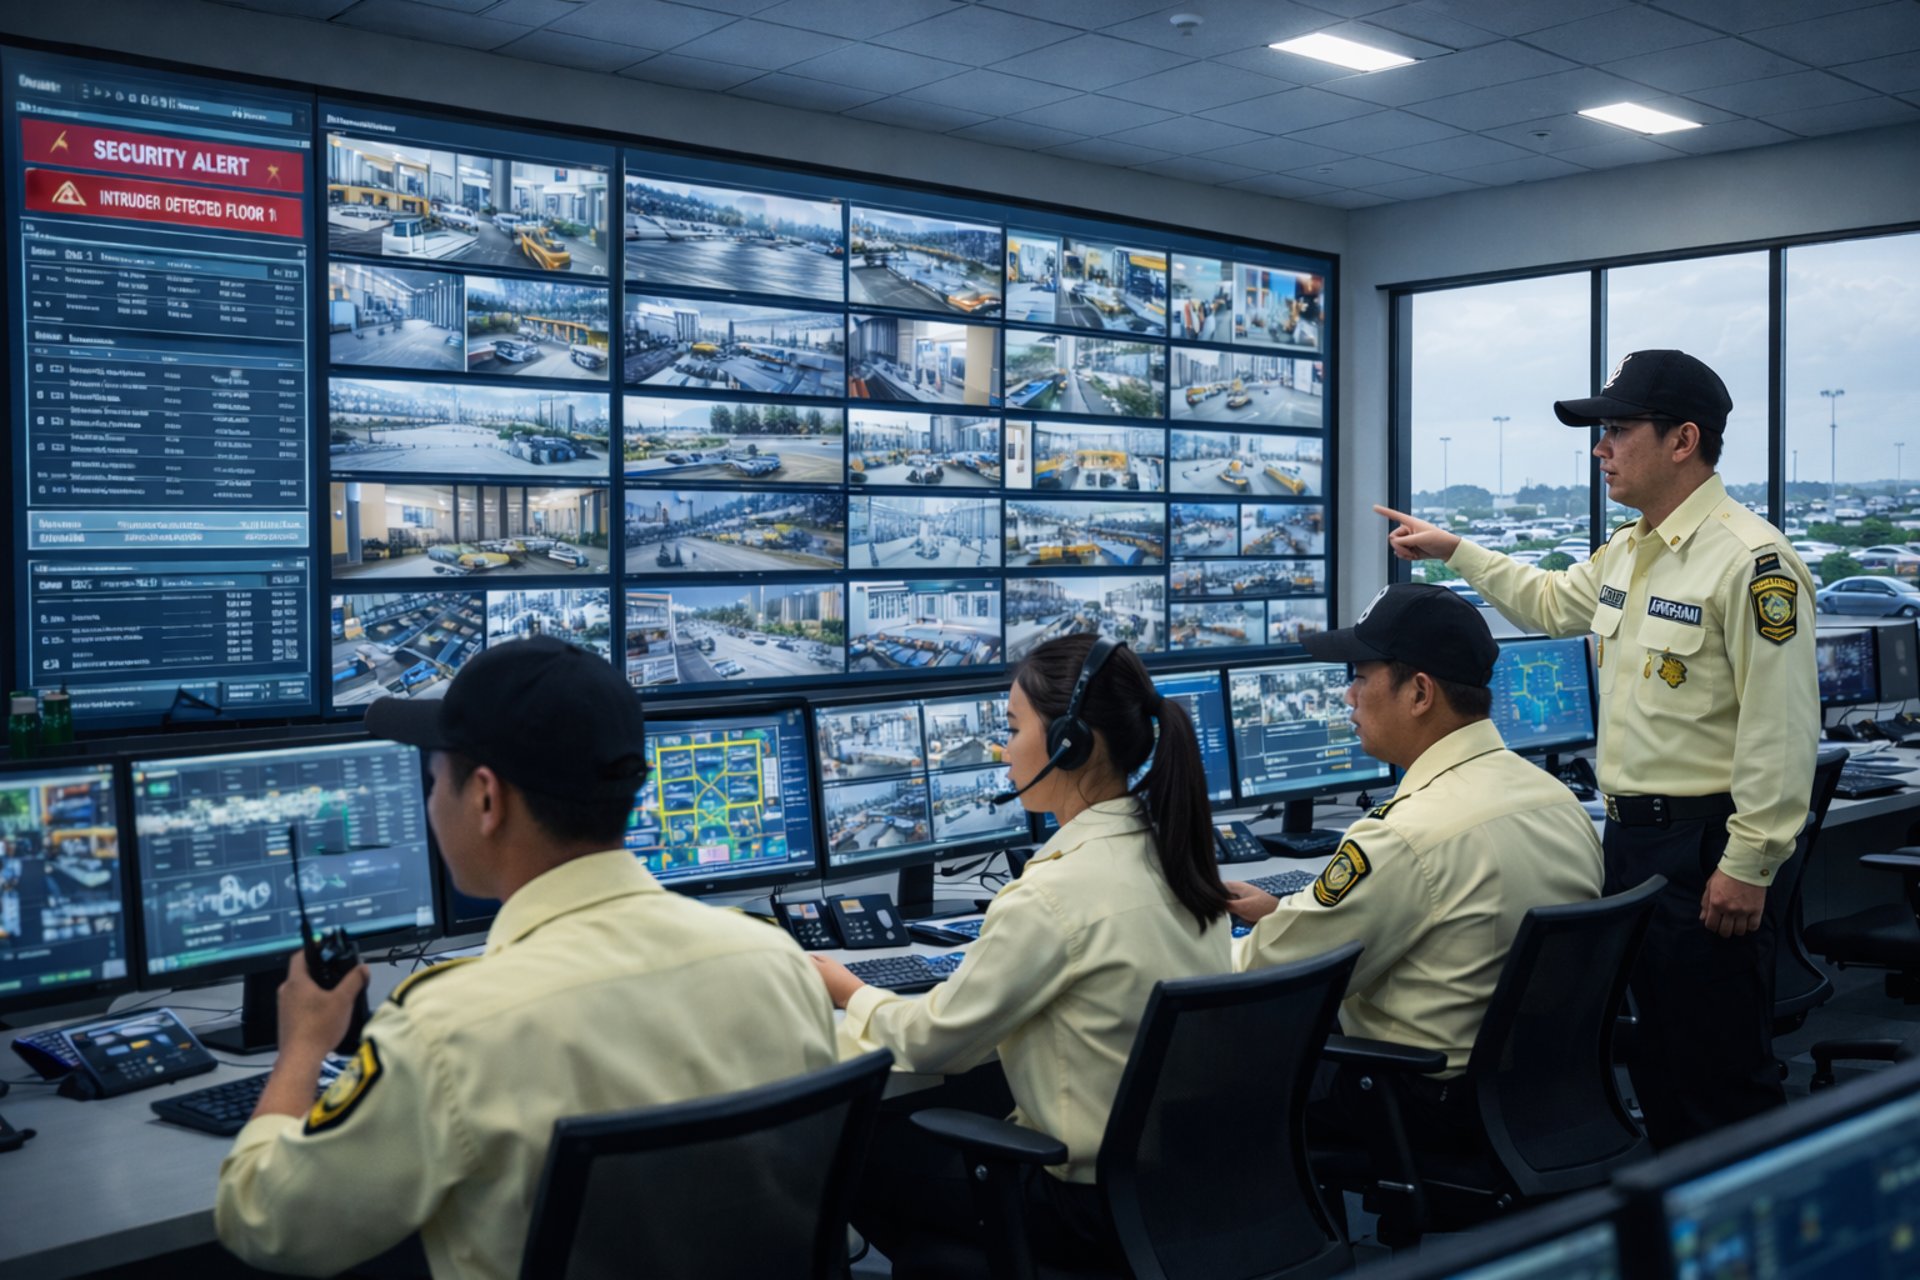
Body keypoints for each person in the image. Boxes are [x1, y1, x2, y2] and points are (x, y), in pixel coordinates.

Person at [214, 638, 837, 1278]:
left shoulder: (448, 1028)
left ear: (486, 799)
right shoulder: (776, 963)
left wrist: (302, 1047)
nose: (431, 804)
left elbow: (266, 1221)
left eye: (434, 781)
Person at [1375, 349, 1818, 1149]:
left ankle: (1754, 1219)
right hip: (1633, 843)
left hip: (1704, 850)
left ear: (1682, 440)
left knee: (1719, 1079)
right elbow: (1551, 605)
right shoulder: (1631, 550)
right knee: (1659, 1065)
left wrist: (1749, 864)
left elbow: (1780, 728)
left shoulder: (1750, 564)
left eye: (1617, 430)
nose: (1600, 449)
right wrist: (1456, 551)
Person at [811, 634, 1233, 1268]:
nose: (1003, 749)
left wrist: (851, 990)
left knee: (852, 1158)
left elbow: (935, 1042)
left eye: (1012, 728)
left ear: (1070, 743)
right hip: (1176, 1189)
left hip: (1084, 1208)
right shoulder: (1176, 856)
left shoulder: (1051, 895)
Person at [1228, 584, 1604, 1149]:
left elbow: (1268, 976)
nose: (1349, 696)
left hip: (1416, 1107)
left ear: (1420, 693)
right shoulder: (1554, 799)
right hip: (1534, 1098)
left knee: (1217, 1086)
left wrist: (1174, 940)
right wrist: (1286, 911)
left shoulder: (1405, 835)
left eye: (1360, 677)